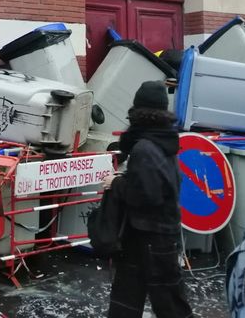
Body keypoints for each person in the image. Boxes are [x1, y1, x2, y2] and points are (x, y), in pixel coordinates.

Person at [102, 80, 193, 318]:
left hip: (150, 237)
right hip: (155, 235)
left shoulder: (144, 147)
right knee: (137, 299)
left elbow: (146, 196)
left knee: (162, 304)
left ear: (138, 111)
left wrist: (117, 183)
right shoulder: (166, 142)